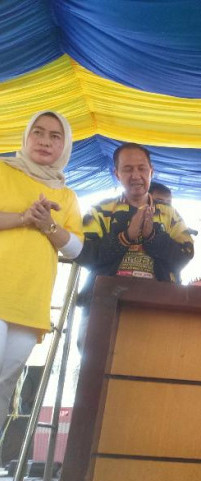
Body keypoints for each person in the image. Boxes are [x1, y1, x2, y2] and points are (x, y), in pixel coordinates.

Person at [0, 110, 83, 431]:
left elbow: (76, 249)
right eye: (38, 132)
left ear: (65, 145)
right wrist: (24, 217)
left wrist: (48, 224)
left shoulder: (67, 195)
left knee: (5, 386)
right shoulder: (4, 170)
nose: (45, 141)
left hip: (31, 303)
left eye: (55, 135)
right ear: (26, 136)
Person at [75, 143, 194, 303]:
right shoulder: (99, 210)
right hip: (103, 303)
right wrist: (124, 237)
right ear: (116, 174)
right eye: (128, 169)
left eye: (142, 168)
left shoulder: (169, 214)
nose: (136, 175)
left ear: (151, 171)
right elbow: (83, 255)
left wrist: (152, 236)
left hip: (160, 304)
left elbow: (185, 254)